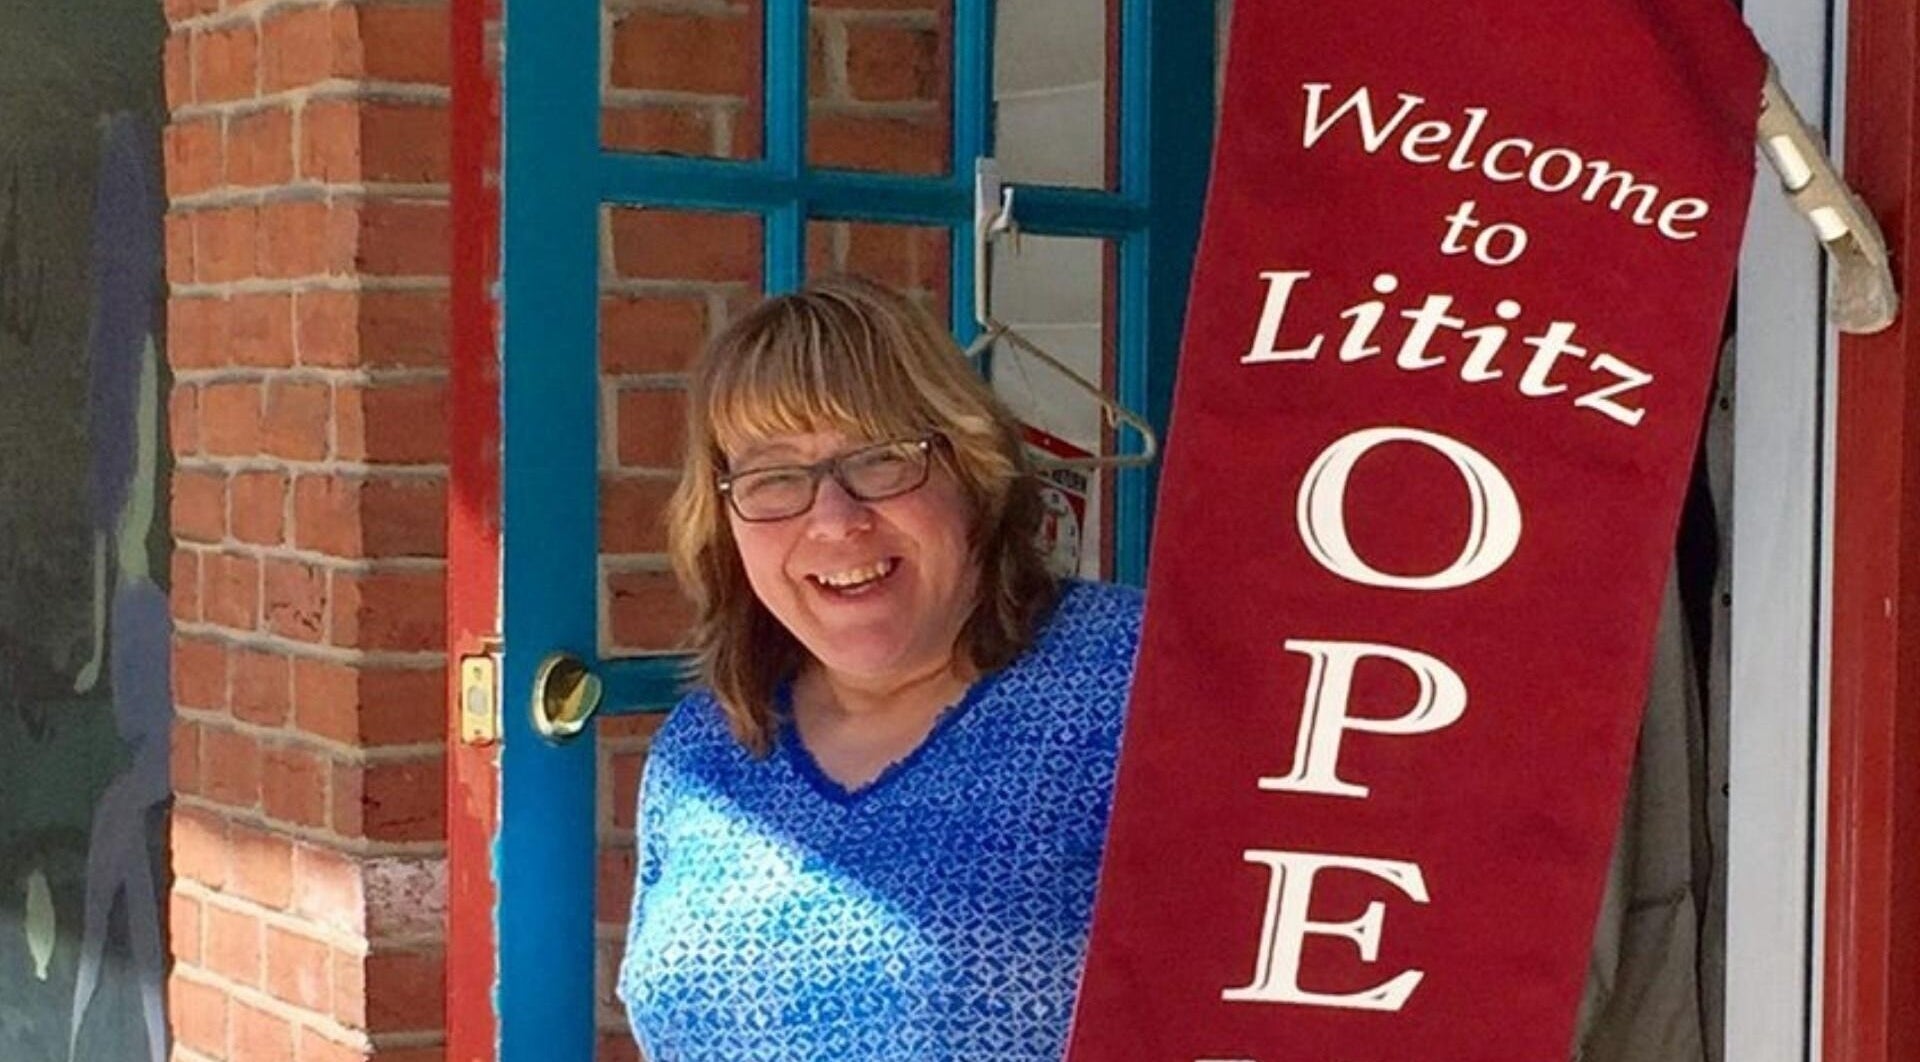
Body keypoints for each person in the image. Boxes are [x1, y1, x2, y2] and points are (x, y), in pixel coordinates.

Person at [618, 276, 1144, 1061]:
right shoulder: (706, 747)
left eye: (883, 459)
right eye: (773, 477)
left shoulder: (1129, 680)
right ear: (724, 519)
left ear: (972, 470)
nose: (834, 520)